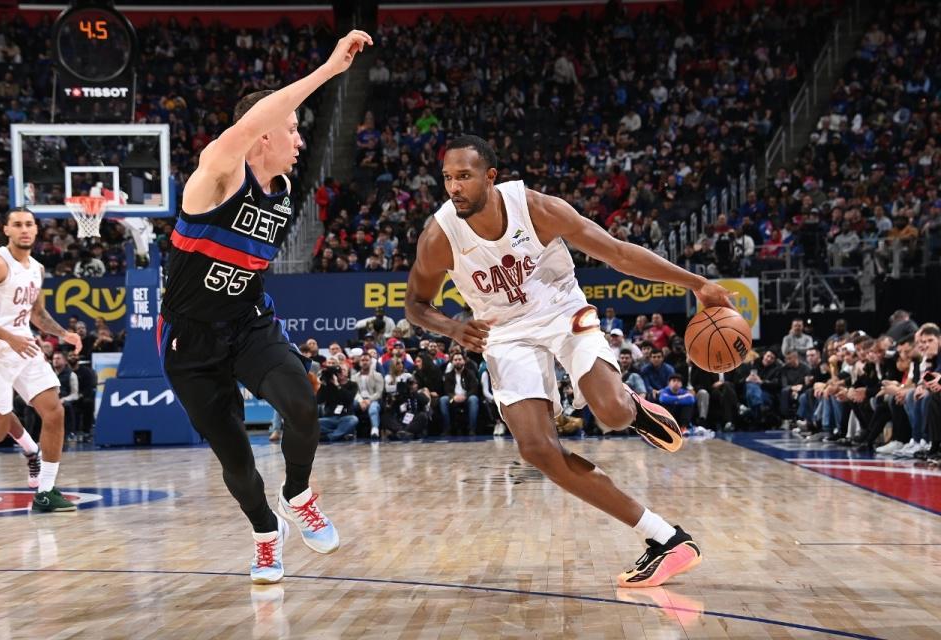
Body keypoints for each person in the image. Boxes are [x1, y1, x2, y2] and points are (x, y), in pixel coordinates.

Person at [405, 135, 733, 588]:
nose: (454, 187)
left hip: (562, 311)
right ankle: (665, 538)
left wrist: (698, 284)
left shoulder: (537, 208)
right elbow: (415, 304)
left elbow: (618, 253)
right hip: (505, 334)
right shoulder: (439, 235)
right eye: (447, 178)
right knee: (536, 449)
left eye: (464, 176)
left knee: (612, 414)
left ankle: (631, 406)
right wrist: (453, 328)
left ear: (490, 177)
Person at [156, 30, 371, 584]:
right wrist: (329, 70)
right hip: (189, 337)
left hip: (248, 322)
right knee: (236, 459)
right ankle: (265, 534)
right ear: (261, 135)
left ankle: (297, 494)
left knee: (302, 407)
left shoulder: (284, 188)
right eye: (292, 129)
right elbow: (248, 127)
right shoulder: (218, 175)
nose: (299, 140)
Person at [0, 207, 83, 510]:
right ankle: (29, 452)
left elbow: (37, 314)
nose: (24, 229)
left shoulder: (37, 268)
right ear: (6, 230)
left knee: (54, 411)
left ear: (37, 230)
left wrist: (64, 334)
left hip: (23, 346)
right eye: (17, 224)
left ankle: (46, 491)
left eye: (29, 224)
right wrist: (8, 337)